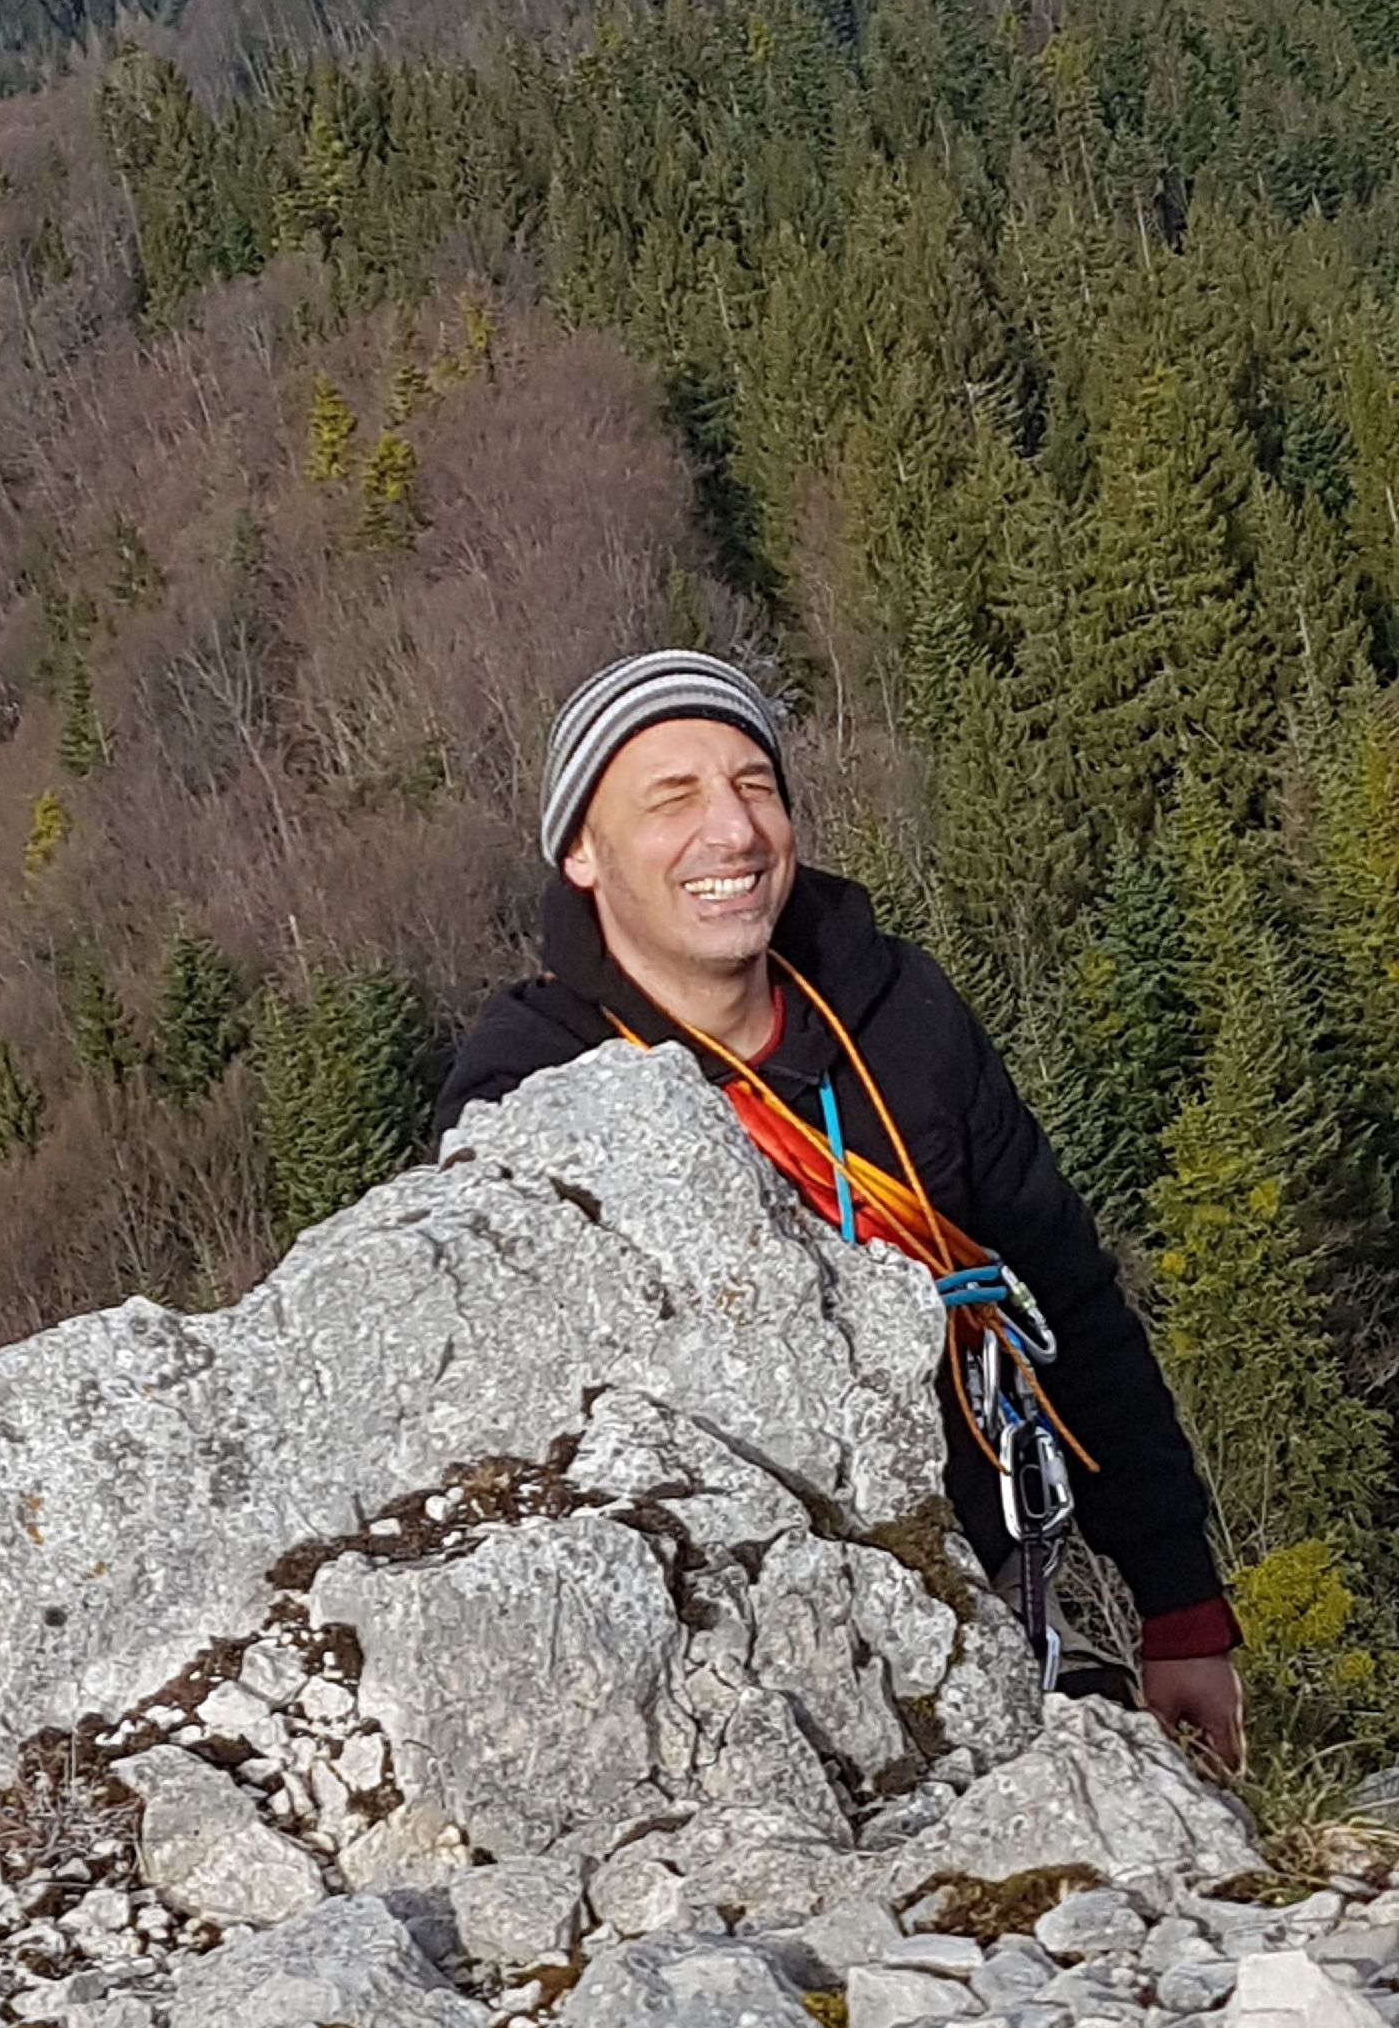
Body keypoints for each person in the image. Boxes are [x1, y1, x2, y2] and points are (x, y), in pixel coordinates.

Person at [434, 650, 1245, 1772]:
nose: (732, 831)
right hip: (721, 1665)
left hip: (981, 1598)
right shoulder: (530, 1087)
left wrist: (1179, 1606)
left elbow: (1062, 1291)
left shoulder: (896, 1011)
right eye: (671, 798)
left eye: (754, 786)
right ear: (581, 851)